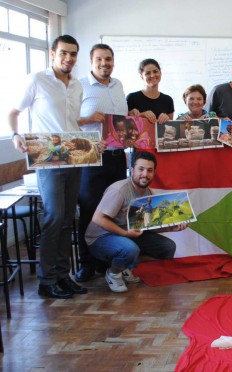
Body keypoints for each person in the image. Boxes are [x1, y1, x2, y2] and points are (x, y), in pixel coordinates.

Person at [8, 35, 88, 299]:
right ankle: (47, 280)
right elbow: (14, 111)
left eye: (73, 54)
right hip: (47, 158)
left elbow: (72, 121)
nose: (69, 58)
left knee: (68, 219)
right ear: (53, 53)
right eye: (64, 53)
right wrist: (16, 135)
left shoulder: (77, 85)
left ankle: (63, 276)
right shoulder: (37, 79)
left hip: (75, 157)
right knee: (54, 217)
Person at [85, 151, 187, 293]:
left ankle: (126, 266)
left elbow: (147, 225)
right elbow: (97, 218)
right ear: (132, 170)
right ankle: (113, 273)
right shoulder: (119, 190)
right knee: (130, 249)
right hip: (101, 237)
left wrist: (171, 228)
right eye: (141, 169)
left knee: (167, 247)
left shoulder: (148, 193)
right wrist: (125, 234)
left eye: (149, 170)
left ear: (154, 173)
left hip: (128, 233)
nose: (145, 174)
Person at [76, 43, 130, 282]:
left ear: (113, 61)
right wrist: (87, 118)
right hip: (91, 158)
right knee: (89, 210)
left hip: (118, 158)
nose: (104, 63)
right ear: (91, 61)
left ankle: (104, 261)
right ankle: (86, 264)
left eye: (108, 59)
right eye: (99, 59)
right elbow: (68, 121)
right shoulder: (79, 86)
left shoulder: (118, 86)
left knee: (115, 211)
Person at [127, 58, 174, 125]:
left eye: (155, 71)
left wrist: (167, 119)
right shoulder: (132, 98)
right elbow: (127, 126)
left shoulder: (168, 100)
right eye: (148, 73)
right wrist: (142, 115)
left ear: (160, 73)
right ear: (141, 77)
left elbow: (170, 128)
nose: (152, 75)